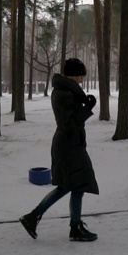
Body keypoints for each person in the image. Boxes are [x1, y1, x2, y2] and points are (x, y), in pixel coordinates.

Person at [19, 58, 99, 242]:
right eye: (80, 76)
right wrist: (87, 109)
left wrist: (84, 103)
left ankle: (73, 226)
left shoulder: (67, 92)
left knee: (77, 184)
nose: (82, 80)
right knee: (70, 185)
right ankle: (38, 217)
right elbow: (69, 124)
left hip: (71, 145)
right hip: (68, 146)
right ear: (73, 76)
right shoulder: (64, 94)